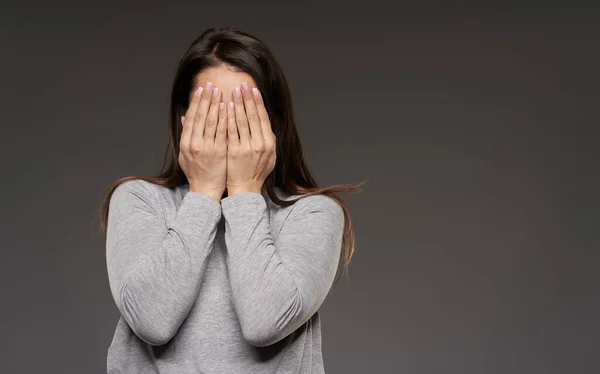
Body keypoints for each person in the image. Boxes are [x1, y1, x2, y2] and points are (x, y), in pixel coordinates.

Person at [99, 27, 365, 373]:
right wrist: (204, 194)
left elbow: (265, 322)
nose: (229, 127)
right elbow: (150, 320)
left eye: (245, 112)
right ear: (184, 120)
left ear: (274, 125)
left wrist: (244, 192)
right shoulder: (139, 200)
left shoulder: (313, 213)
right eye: (211, 110)